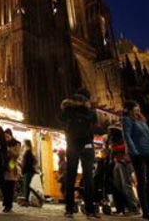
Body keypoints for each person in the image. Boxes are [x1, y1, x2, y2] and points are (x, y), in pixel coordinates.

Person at [59, 88, 99, 218]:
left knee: (71, 176)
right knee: (88, 178)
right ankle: (90, 210)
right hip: (87, 144)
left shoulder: (69, 109)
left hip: (72, 144)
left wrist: (66, 106)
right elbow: (95, 123)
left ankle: (69, 209)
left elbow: (60, 118)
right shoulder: (89, 110)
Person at [122, 100, 149, 220]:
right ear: (130, 109)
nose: (138, 109)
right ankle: (146, 212)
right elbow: (127, 136)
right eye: (135, 108)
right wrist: (134, 152)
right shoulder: (127, 120)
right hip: (139, 155)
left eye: (138, 107)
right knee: (142, 182)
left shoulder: (142, 120)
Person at [107, 124, 139, 215]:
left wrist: (114, 149)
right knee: (118, 186)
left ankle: (134, 207)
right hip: (118, 161)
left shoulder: (124, 137)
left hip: (124, 162)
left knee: (126, 185)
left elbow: (128, 146)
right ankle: (125, 207)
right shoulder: (115, 138)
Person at [2, 129, 21, 213]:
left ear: (11, 135)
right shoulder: (3, 144)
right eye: (5, 136)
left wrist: (9, 149)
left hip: (12, 166)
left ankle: (8, 205)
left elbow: (17, 155)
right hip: (4, 167)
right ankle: (6, 203)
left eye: (7, 136)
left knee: (10, 186)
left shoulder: (17, 143)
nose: (6, 138)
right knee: (4, 187)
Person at [21, 139, 43, 207]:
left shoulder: (27, 152)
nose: (23, 145)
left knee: (27, 186)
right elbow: (35, 162)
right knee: (29, 186)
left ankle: (27, 201)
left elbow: (25, 163)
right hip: (30, 171)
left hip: (27, 171)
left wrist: (22, 169)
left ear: (26, 144)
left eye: (23, 144)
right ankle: (37, 198)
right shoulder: (31, 152)